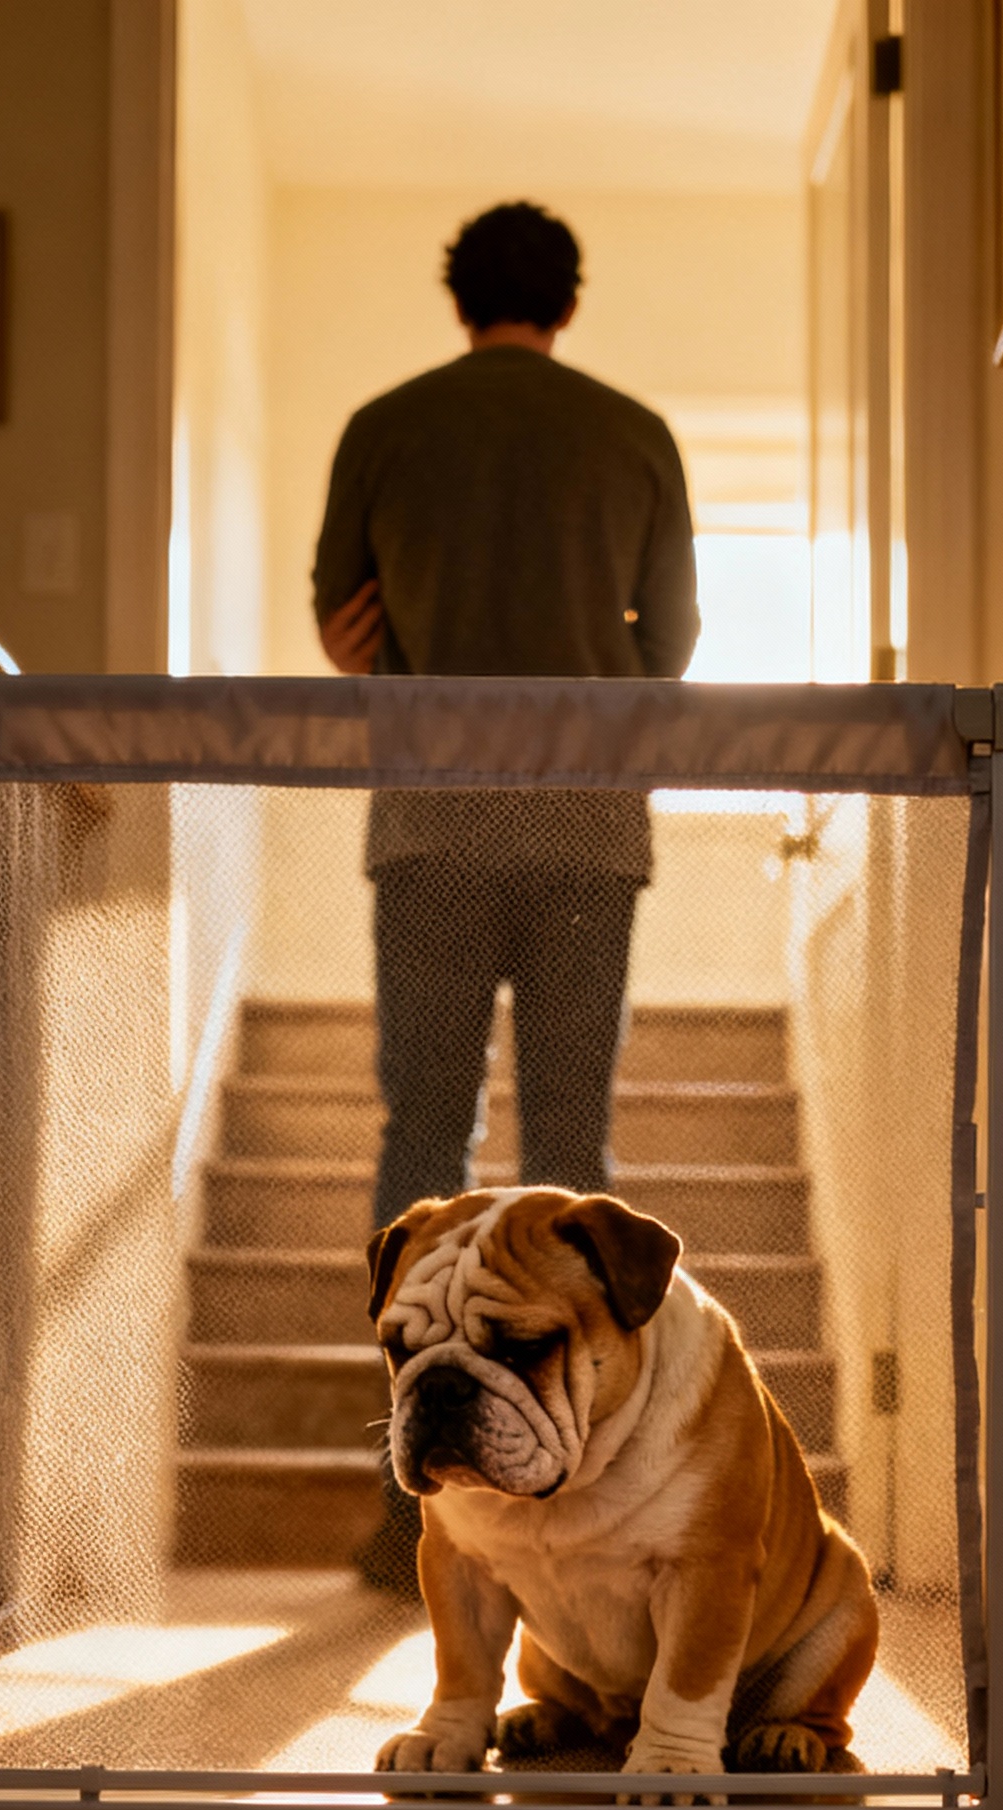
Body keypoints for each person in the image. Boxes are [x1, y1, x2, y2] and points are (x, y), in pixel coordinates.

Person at [312, 200, 699, 1593]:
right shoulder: (633, 434)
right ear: (568, 302)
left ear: (458, 295)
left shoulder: (387, 424)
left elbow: (341, 616)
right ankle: (592, 1492)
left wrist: (398, 652)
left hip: (431, 821)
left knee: (424, 1122)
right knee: (572, 1141)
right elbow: (678, 645)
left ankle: (404, 1505)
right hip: (588, 825)